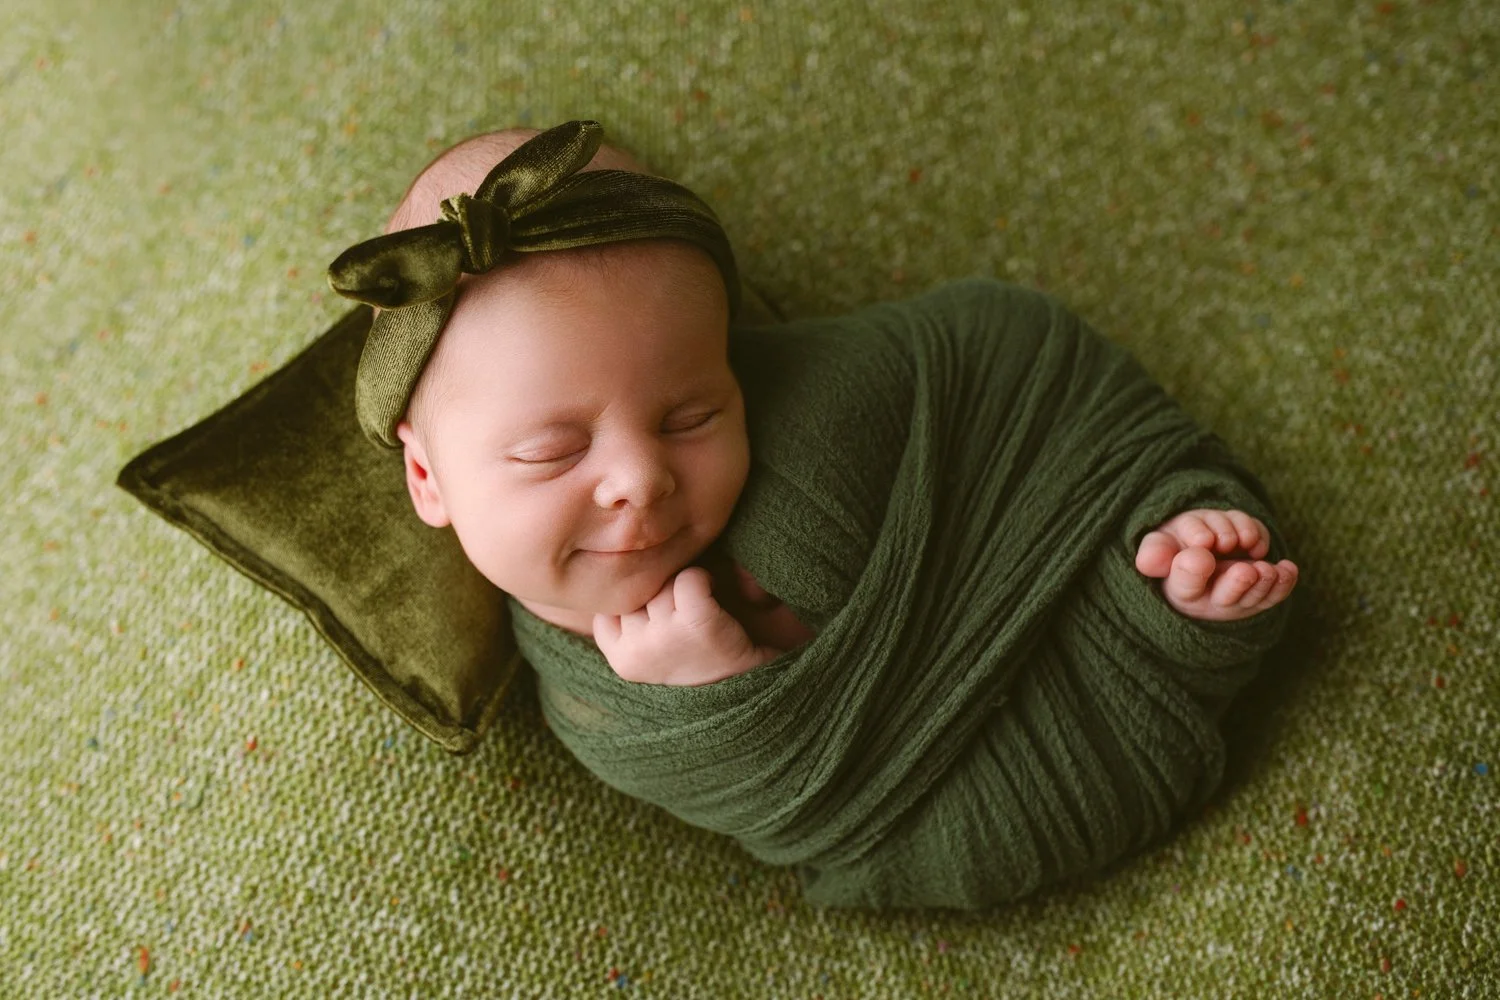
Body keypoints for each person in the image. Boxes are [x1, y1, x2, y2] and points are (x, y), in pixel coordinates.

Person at [338, 122, 1298, 690]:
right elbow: (793, 816)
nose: (642, 476)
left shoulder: (817, 397)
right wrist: (726, 693)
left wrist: (1133, 512)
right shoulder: (596, 694)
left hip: (1056, 574)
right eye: (552, 451)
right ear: (428, 474)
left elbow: (993, 364)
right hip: (977, 776)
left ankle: (1171, 579)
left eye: (691, 415)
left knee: (1157, 559)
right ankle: (1170, 624)